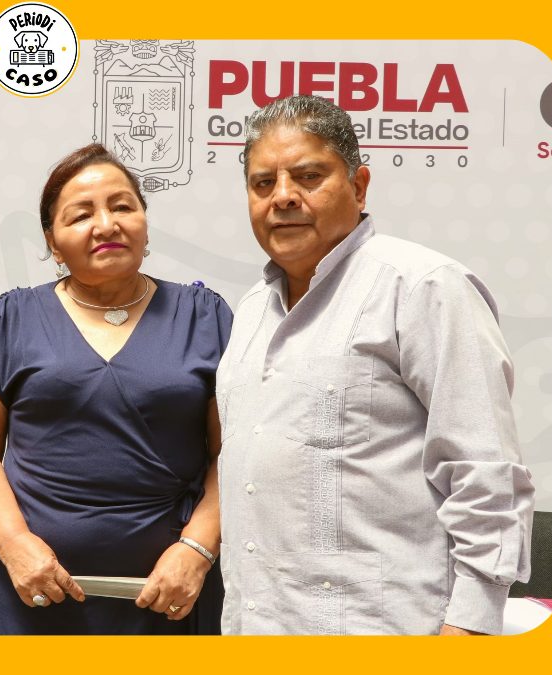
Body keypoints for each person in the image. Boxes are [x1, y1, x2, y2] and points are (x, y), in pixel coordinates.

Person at [215, 95, 534, 635]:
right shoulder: (251, 310)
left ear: (359, 186)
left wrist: (470, 628)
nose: (283, 197)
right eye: (263, 183)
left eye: (308, 176)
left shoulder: (423, 287)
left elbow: (486, 473)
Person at [0, 144, 232, 634]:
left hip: (169, 595)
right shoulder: (12, 319)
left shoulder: (204, 317)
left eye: (122, 206)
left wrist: (197, 550)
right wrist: (14, 545)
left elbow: (235, 453)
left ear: (145, 224)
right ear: (53, 243)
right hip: (23, 589)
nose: (106, 225)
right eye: (81, 215)